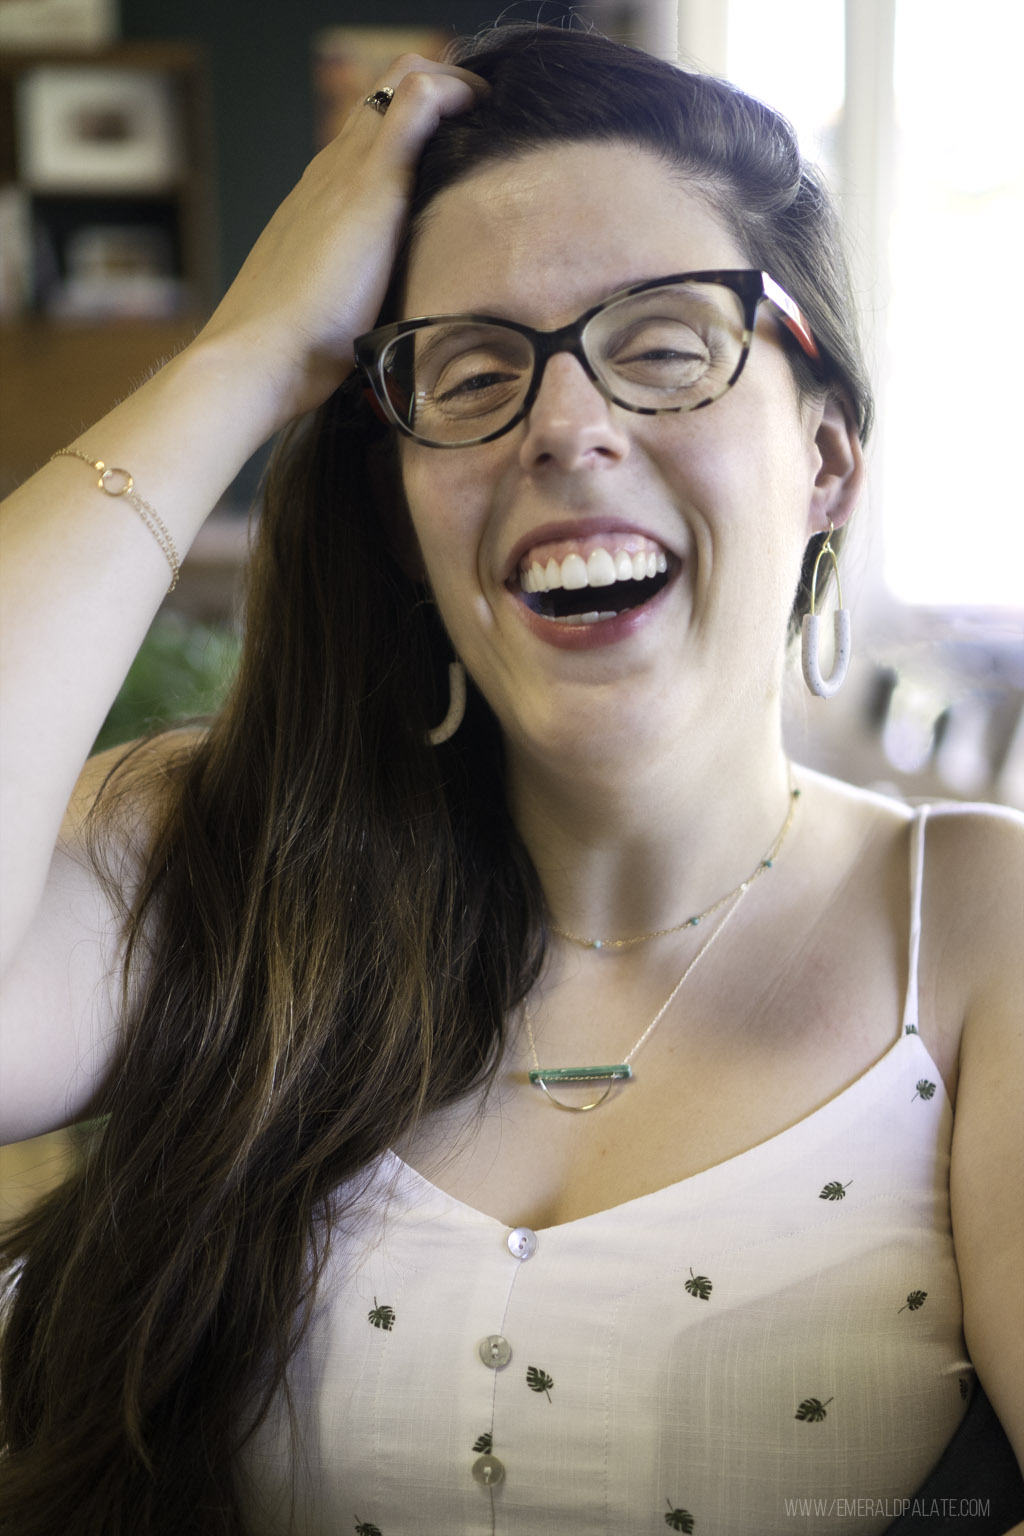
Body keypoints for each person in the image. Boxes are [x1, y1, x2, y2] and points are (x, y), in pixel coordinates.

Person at [0, 22, 1021, 1536]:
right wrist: (244, 357)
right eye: (471, 372)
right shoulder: (212, 851)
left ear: (826, 461)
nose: (566, 425)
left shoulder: (977, 928)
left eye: (667, 346)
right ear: (398, 490)